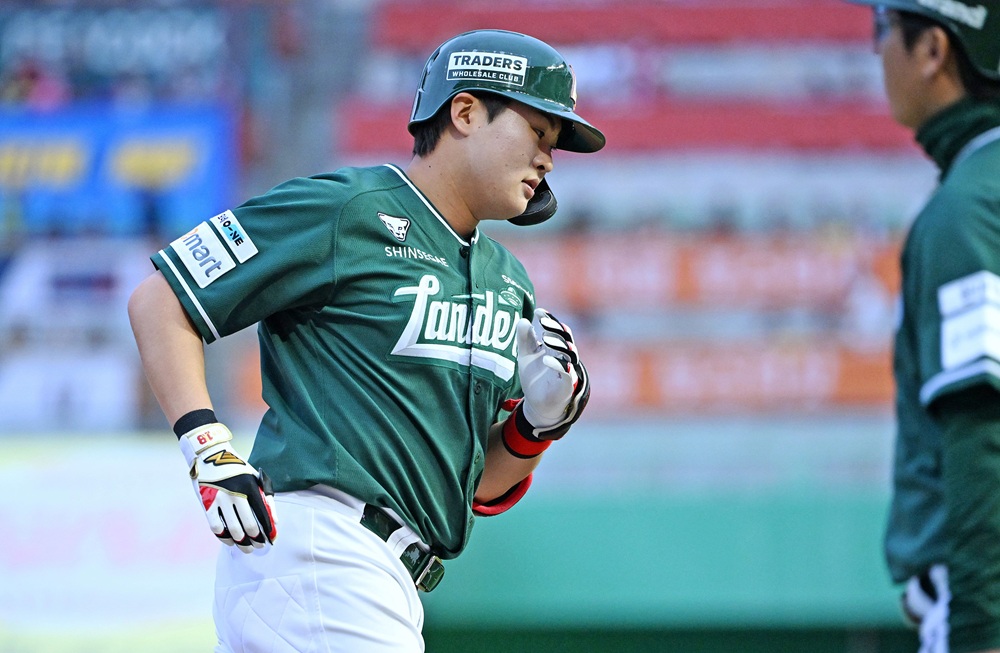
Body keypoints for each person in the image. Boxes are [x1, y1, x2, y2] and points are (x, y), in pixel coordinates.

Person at [127, 29, 603, 653]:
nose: (547, 159)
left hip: (381, 575)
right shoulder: (346, 209)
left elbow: (478, 484)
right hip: (324, 546)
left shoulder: (509, 282)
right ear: (464, 112)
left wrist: (538, 425)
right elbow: (160, 300)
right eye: (537, 132)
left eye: (553, 145)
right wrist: (208, 448)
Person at [843, 2, 1000, 652]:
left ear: (934, 49)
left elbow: (981, 428)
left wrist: (978, 631)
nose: (877, 50)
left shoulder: (966, 208)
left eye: (884, 29)